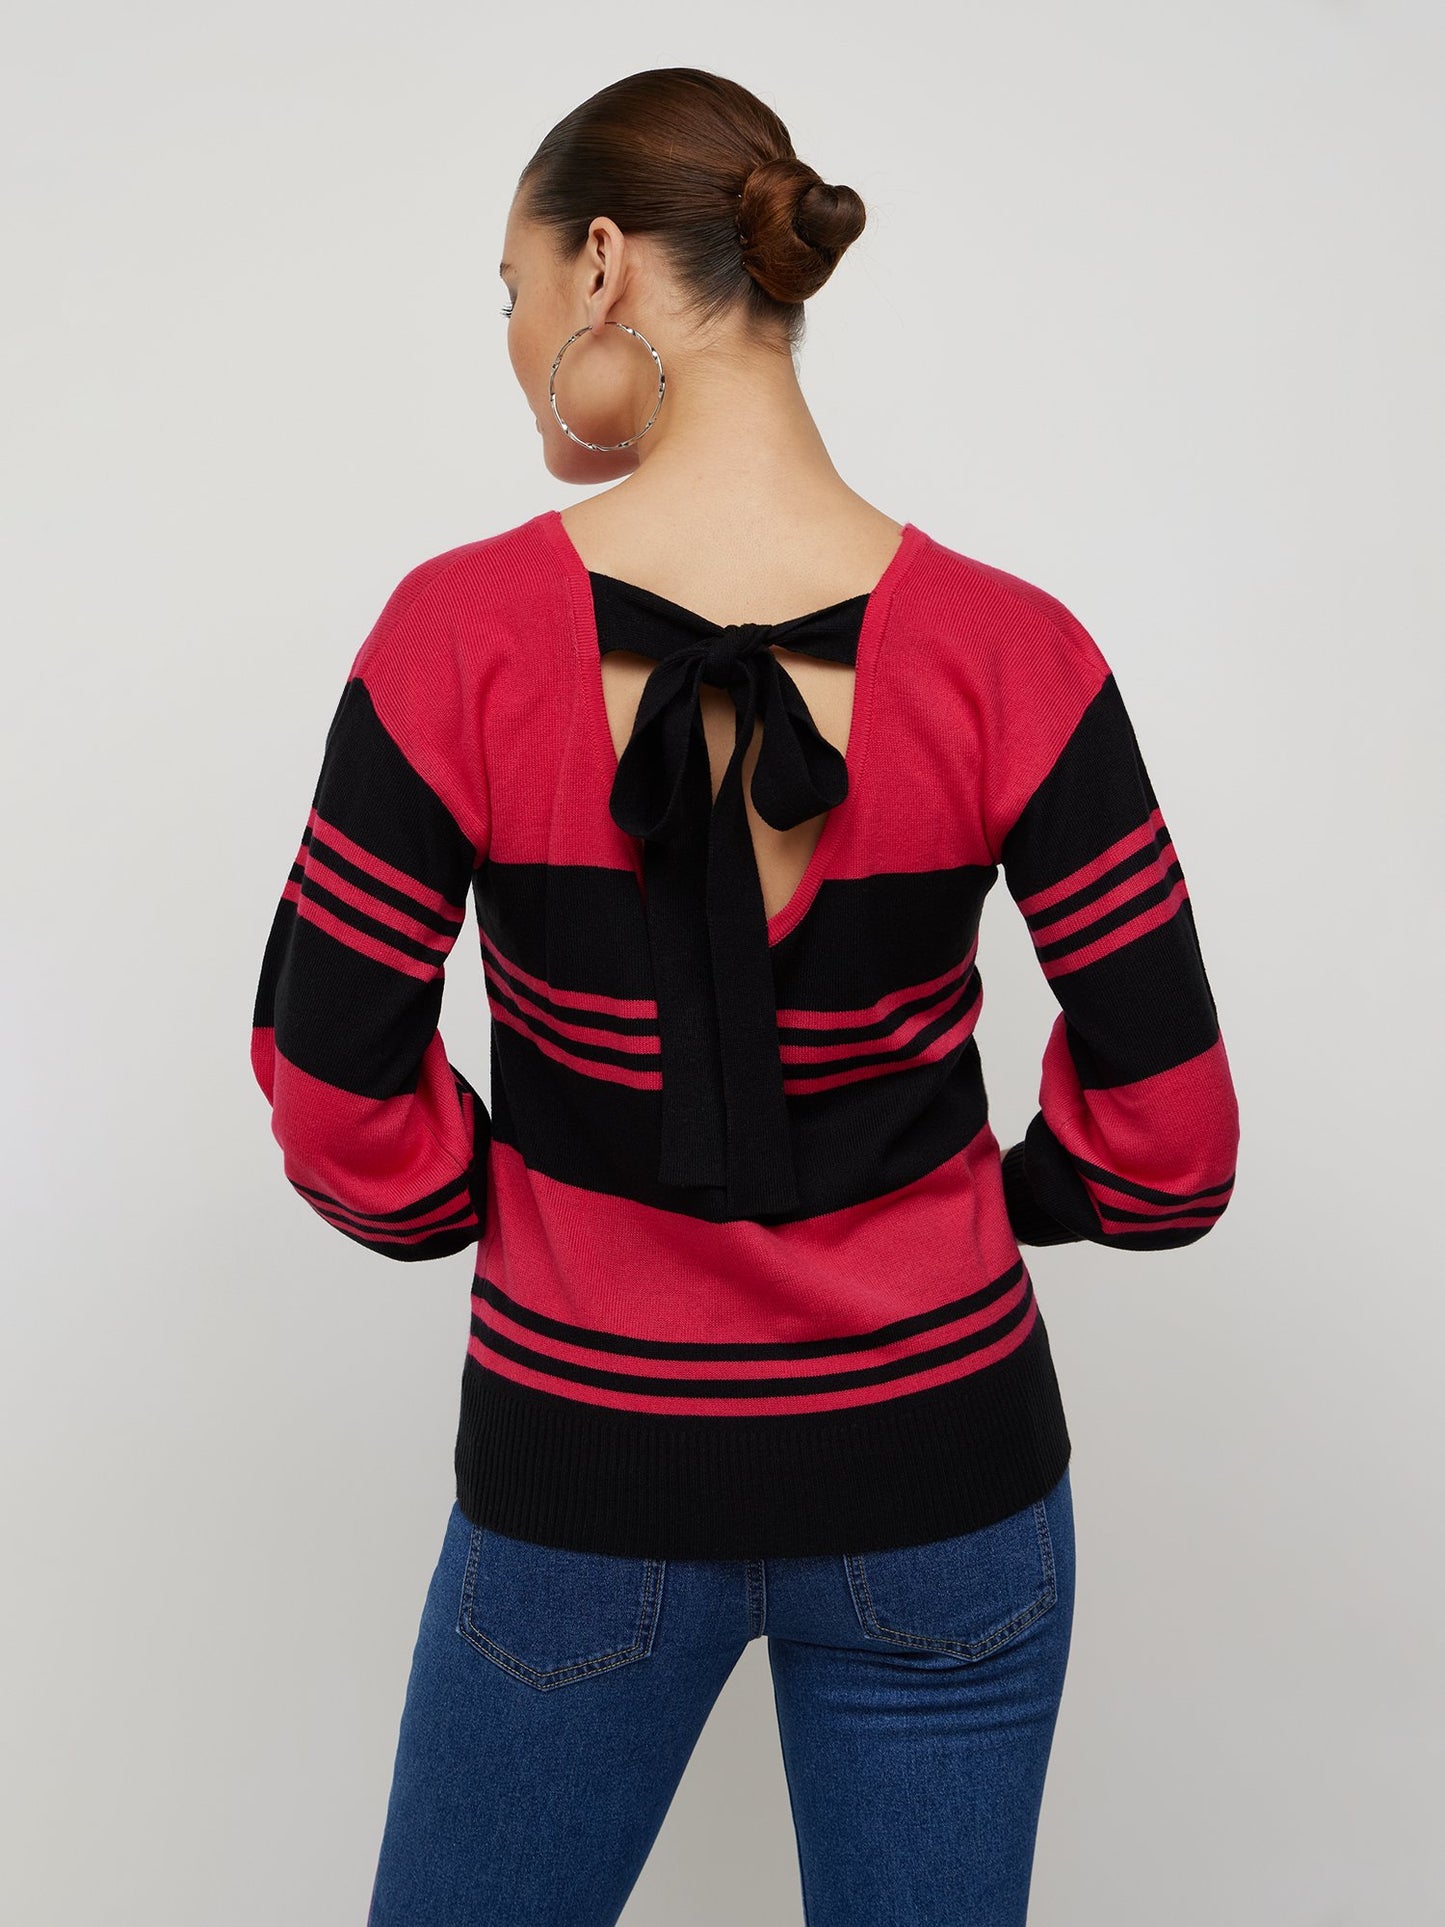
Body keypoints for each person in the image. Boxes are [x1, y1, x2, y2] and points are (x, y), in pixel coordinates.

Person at [249, 66, 1240, 1927]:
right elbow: (1174, 1145)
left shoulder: (455, 640)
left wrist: (500, 1199)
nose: (514, 338)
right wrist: (981, 1200)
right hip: (948, 1463)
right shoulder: (1014, 652)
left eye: (512, 289)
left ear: (601, 267)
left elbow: (332, 1097)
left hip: (584, 1472)